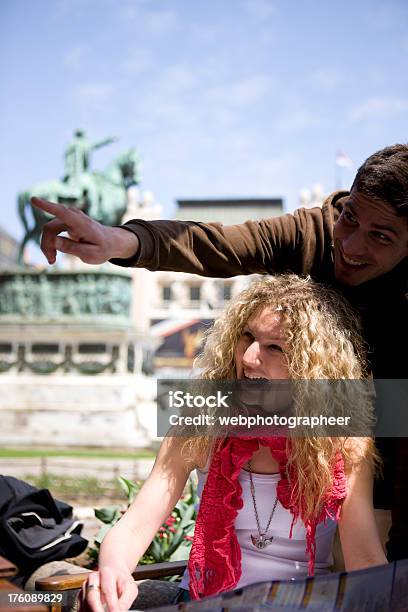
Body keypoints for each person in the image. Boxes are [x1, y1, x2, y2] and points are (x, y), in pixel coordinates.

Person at [31, 143, 408, 560]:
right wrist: (118, 240)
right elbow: (217, 244)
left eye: (380, 236)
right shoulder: (314, 232)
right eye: (350, 219)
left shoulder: (348, 436)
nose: (351, 245)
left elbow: (365, 558)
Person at [79, 275, 386, 612]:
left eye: (274, 347)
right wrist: (113, 570)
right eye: (248, 337)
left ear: (312, 369)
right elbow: (137, 525)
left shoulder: (344, 440)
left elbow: (365, 559)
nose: (250, 358)